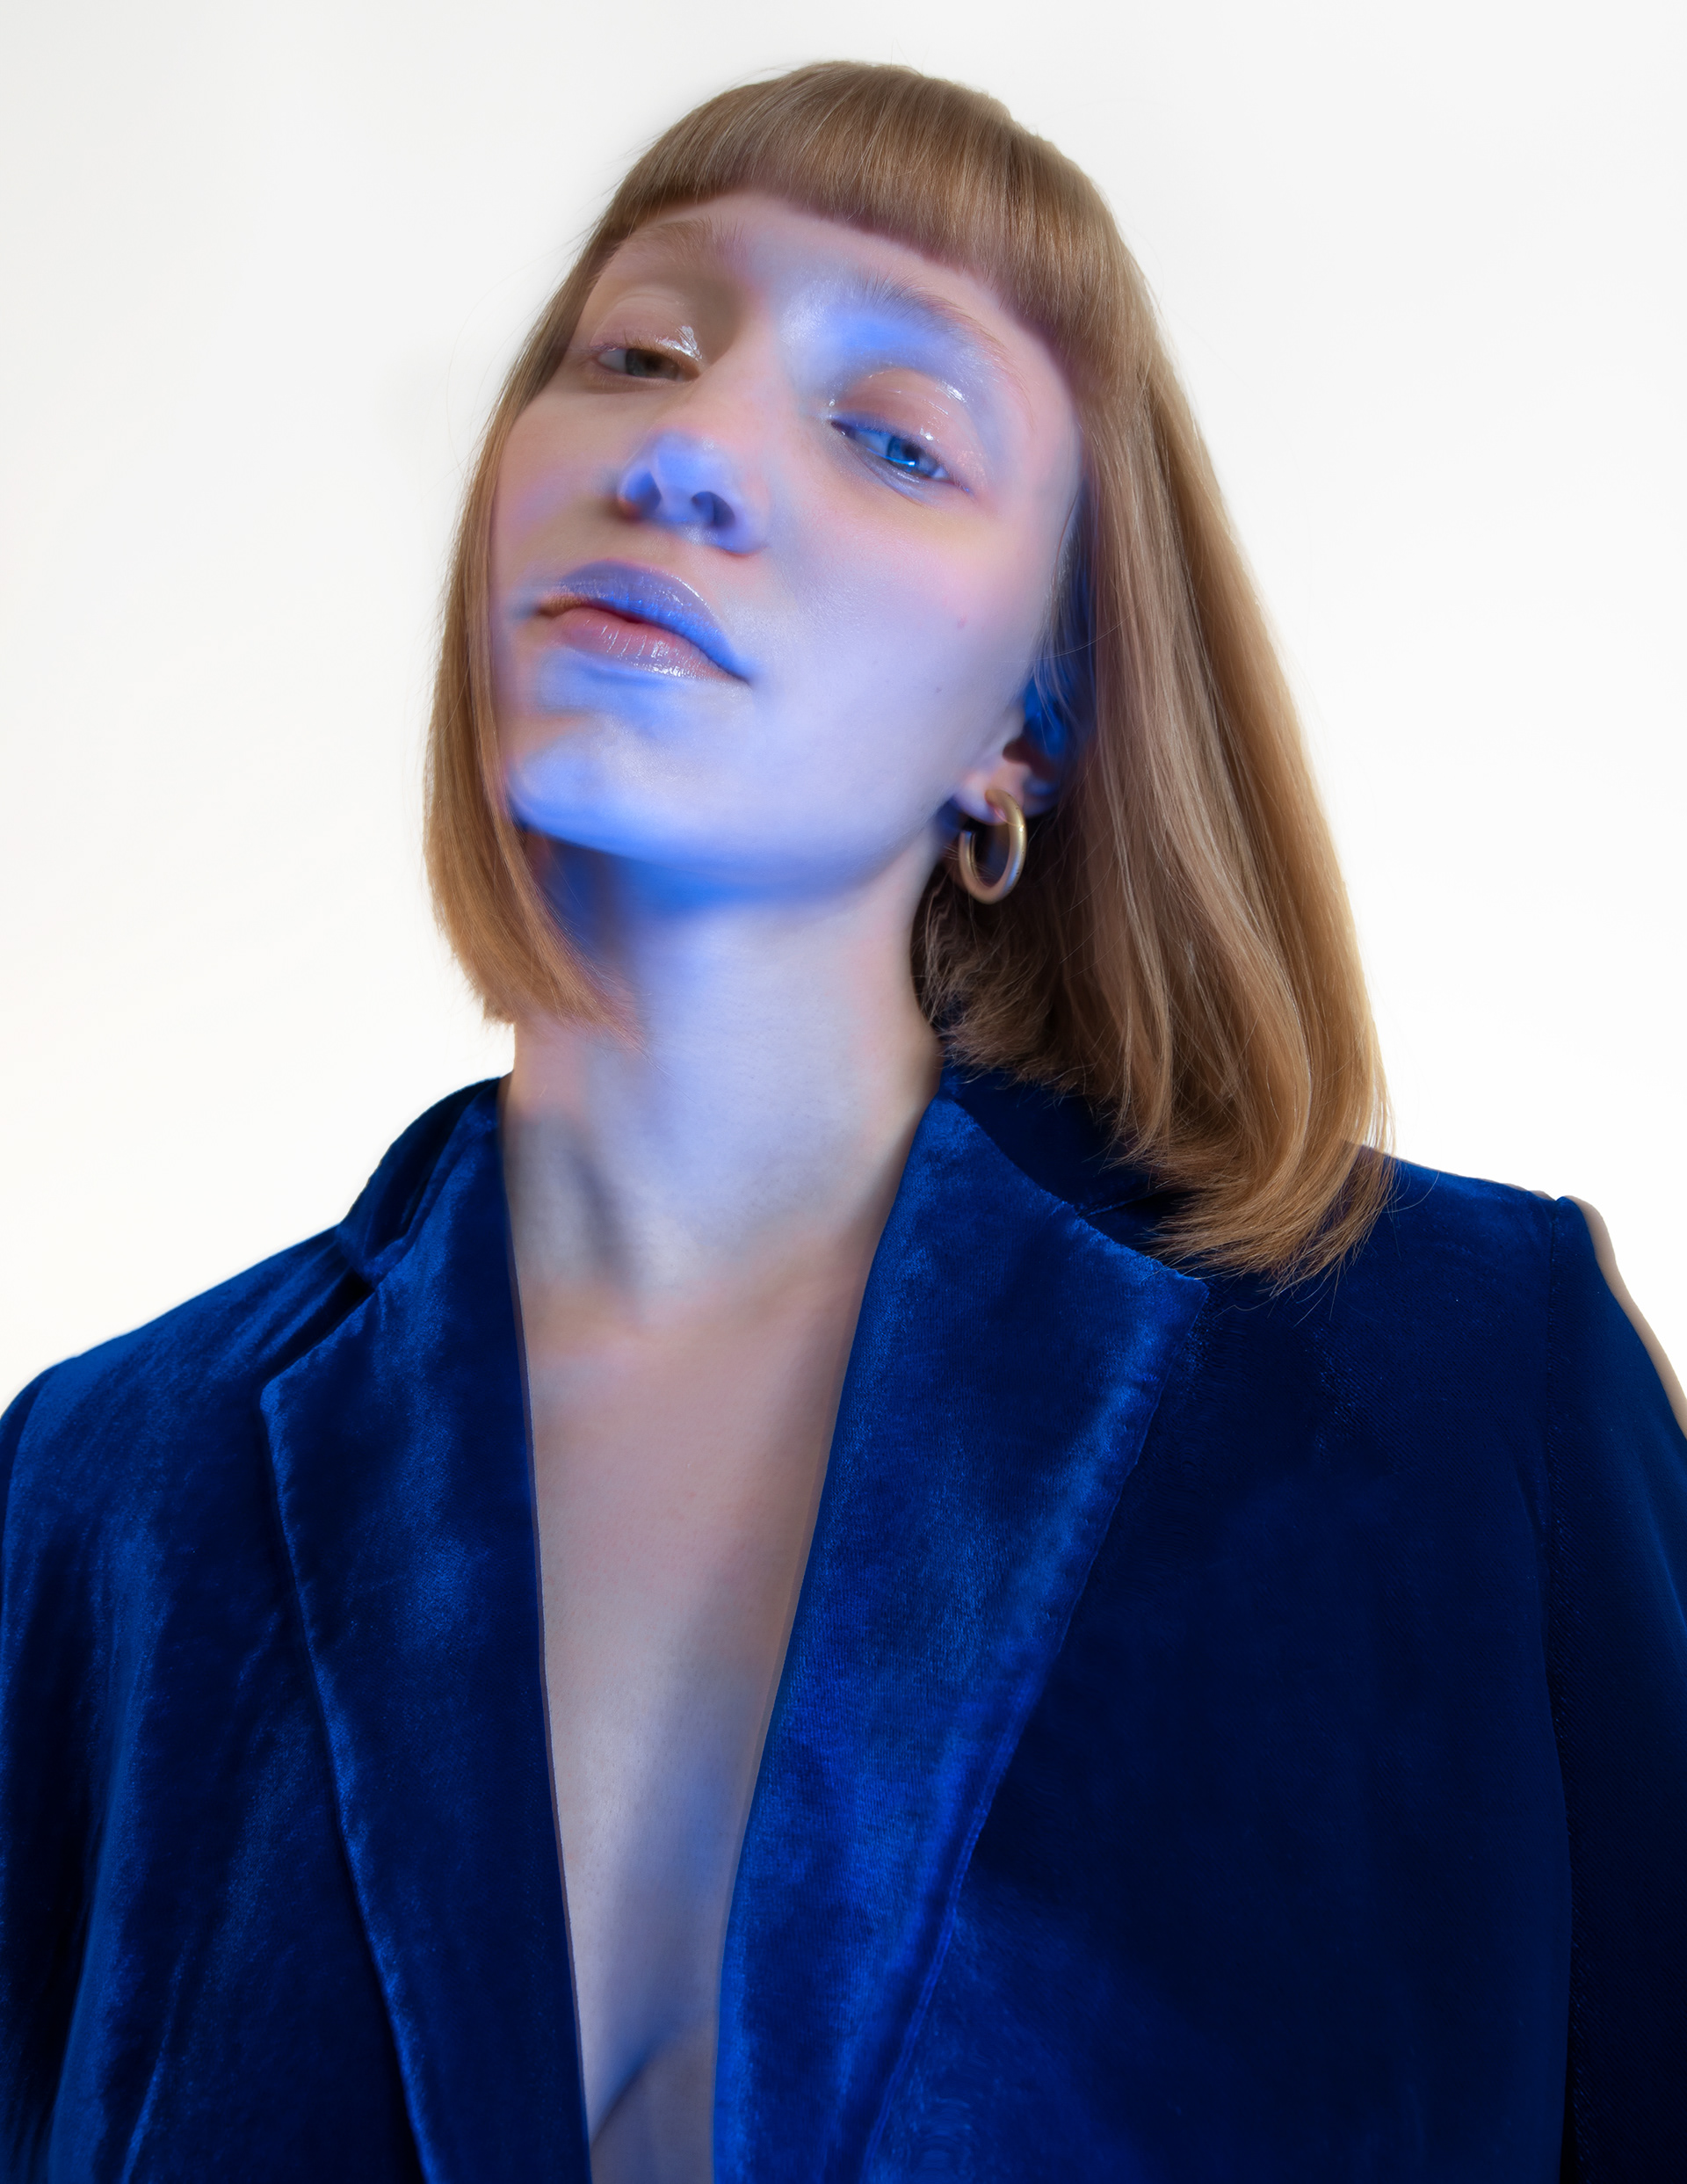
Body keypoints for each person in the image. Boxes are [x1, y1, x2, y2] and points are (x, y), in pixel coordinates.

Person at [2, 60, 1683, 2184]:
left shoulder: (1455, 1384)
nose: (687, 453)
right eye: (636, 353)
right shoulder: (104, 1493)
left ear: (1029, 730)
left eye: (895, 434)